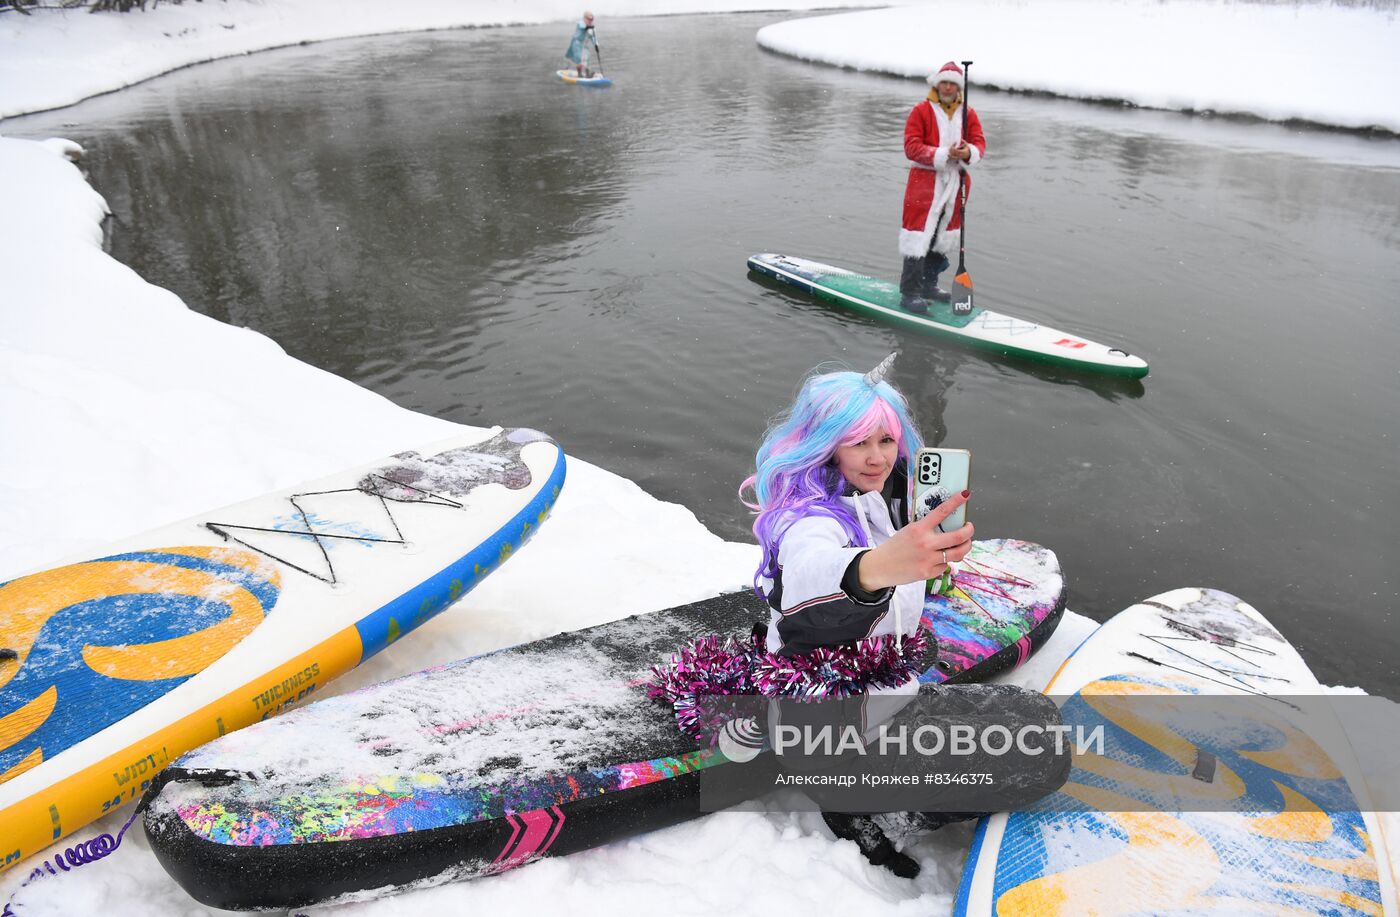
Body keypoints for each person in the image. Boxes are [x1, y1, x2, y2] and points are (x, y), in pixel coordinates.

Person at [740, 354, 975, 876]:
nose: (876, 458)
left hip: (875, 699)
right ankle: (864, 807)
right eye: (858, 442)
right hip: (827, 734)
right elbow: (811, 574)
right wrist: (873, 569)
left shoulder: (882, 503)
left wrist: (914, 558)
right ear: (824, 445)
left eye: (885, 441)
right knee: (1031, 758)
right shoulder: (808, 521)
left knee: (1038, 726)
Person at [899, 61, 986, 314]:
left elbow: (980, 143)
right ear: (937, 84)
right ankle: (910, 292)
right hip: (924, 183)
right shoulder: (920, 111)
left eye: (952, 84)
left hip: (955, 183)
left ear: (958, 88)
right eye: (944, 82)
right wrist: (942, 153)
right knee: (918, 238)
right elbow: (911, 147)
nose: (947, 87)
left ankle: (929, 285)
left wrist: (967, 151)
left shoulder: (968, 114)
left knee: (942, 238)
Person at [564, 12, 598, 78]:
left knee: (587, 57)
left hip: (584, 45)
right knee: (579, 59)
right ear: (585, 18)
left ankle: (588, 74)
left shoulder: (592, 27)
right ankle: (579, 74)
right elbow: (584, 27)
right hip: (576, 43)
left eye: (592, 19)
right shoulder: (580, 23)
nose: (591, 21)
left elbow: (593, 37)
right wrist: (591, 27)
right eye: (589, 19)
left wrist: (596, 44)